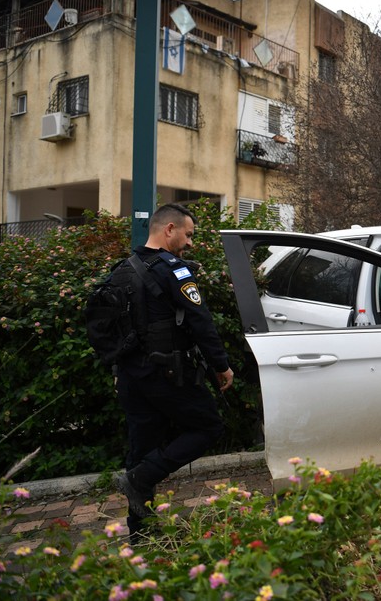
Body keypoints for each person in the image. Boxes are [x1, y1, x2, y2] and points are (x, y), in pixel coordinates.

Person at [115, 203, 235, 537]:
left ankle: (141, 533)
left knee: (142, 449)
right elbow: (200, 321)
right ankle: (140, 479)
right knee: (209, 427)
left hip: (130, 377)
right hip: (167, 373)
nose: (190, 243)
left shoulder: (121, 270)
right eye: (189, 234)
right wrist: (221, 366)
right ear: (170, 229)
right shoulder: (174, 270)